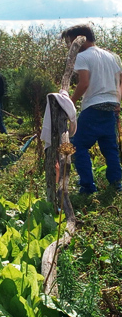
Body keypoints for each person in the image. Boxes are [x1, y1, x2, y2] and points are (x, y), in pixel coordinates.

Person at [61, 24, 122, 194]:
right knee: (110, 148)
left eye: (71, 41)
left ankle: (87, 186)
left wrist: (70, 102)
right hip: (110, 107)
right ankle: (116, 183)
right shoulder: (112, 56)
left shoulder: (83, 57)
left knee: (78, 146)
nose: (70, 46)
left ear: (80, 39)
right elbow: (120, 81)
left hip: (93, 106)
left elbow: (84, 83)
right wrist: (117, 101)